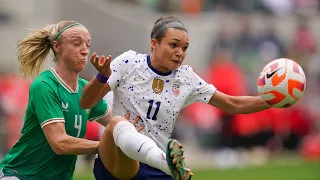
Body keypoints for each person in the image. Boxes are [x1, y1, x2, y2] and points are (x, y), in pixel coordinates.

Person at [80, 16, 272, 180]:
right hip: (117, 160)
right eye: (173, 45)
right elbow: (85, 102)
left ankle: (166, 164)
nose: (180, 52)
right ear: (154, 43)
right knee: (116, 124)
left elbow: (232, 104)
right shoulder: (129, 62)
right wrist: (101, 77)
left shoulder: (186, 78)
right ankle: (165, 162)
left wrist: (272, 100)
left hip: (153, 170)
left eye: (185, 47)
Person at [0, 20, 116, 180]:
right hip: (22, 175)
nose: (84, 50)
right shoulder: (45, 85)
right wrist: (106, 146)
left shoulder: (85, 89)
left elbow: (115, 124)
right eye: (76, 43)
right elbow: (60, 143)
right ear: (57, 46)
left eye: (88, 45)